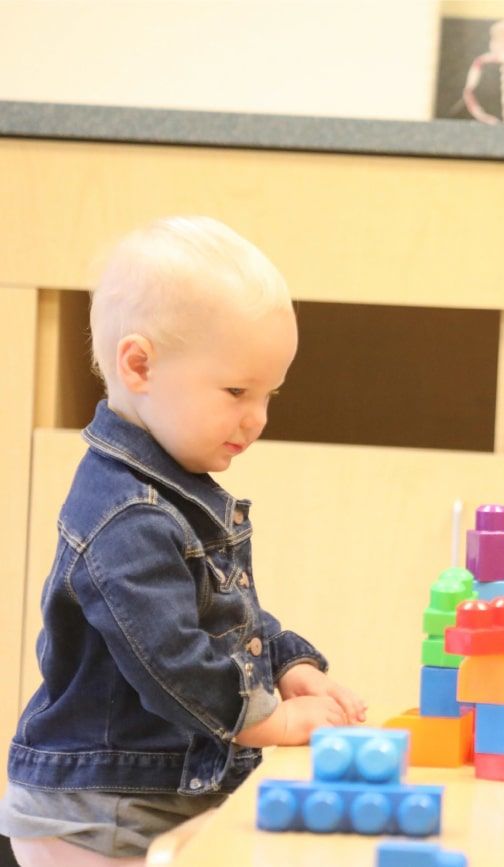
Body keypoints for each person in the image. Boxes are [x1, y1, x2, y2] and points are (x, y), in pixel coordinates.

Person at [0, 217, 366, 865]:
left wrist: (289, 663)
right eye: (236, 391)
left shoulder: (179, 488)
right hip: (98, 812)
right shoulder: (126, 515)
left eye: (268, 394)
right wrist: (271, 720)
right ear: (139, 364)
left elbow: (226, 620)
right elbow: (171, 657)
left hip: (155, 794)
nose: (257, 418)